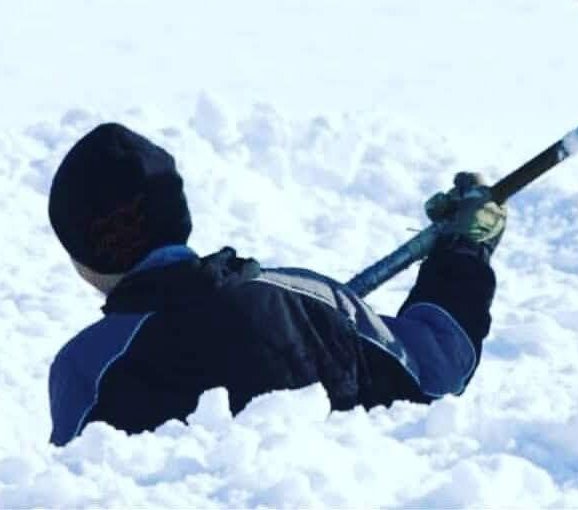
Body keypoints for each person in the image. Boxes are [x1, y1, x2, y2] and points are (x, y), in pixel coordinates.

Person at [47, 123, 507, 446]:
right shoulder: (311, 302)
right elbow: (438, 369)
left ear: (83, 257)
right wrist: (466, 248)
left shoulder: (85, 367)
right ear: (177, 216)